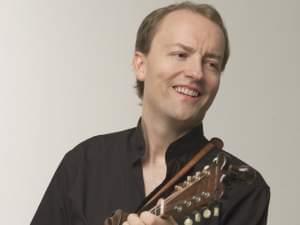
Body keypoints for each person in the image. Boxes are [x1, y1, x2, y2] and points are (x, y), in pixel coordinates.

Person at [31, 2, 270, 225]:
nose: (196, 73)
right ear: (140, 65)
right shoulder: (84, 164)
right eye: (181, 54)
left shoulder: (241, 187)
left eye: (211, 63)